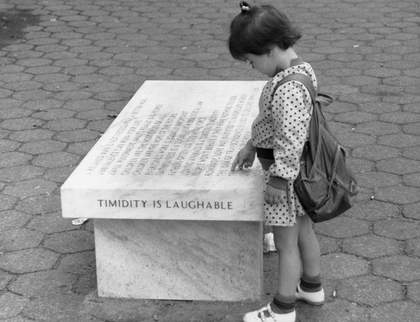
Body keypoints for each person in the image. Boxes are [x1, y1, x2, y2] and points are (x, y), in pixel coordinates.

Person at [229, 2, 325, 322]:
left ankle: (282, 309)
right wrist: (250, 145)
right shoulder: (302, 70)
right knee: (303, 232)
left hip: (286, 180)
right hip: (301, 176)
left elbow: (289, 140)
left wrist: (279, 180)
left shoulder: (287, 89)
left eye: (251, 60)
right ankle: (311, 286)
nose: (252, 67)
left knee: (286, 244)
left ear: (269, 50)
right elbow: (271, 123)